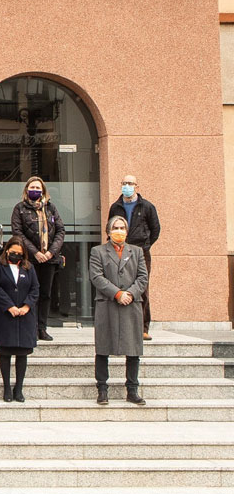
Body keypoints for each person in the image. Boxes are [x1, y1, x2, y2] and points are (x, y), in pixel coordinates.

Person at [90, 215, 148, 406]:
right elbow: (96, 276)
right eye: (116, 227)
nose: (119, 231)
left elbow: (142, 277)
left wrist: (130, 293)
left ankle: (132, 389)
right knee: (103, 347)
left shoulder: (137, 252)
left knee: (133, 349)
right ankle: (102, 389)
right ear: (108, 231)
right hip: (107, 304)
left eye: (122, 228)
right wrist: (117, 293)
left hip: (131, 305)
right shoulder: (98, 251)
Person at [10, 176, 65, 342]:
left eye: (38, 188)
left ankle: (42, 328)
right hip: (30, 259)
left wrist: (50, 252)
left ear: (43, 191)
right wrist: (35, 253)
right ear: (27, 190)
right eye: (32, 187)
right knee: (30, 293)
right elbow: (18, 233)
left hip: (50, 259)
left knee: (46, 294)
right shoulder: (19, 209)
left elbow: (61, 231)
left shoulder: (50, 208)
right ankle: (30, 327)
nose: (35, 190)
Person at [108, 173, 160, 341]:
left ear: (137, 187)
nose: (127, 186)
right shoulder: (116, 207)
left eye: (130, 183)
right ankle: (121, 326)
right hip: (119, 251)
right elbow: (109, 227)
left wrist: (144, 245)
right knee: (119, 286)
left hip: (140, 252)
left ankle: (143, 327)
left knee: (141, 289)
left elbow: (155, 229)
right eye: (124, 183)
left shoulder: (147, 206)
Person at [0, 234, 40, 403]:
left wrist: (26, 306)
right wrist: (9, 306)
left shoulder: (28, 268)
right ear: (7, 250)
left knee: (22, 353)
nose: (16, 255)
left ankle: (19, 388)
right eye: (13, 252)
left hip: (25, 316)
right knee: (5, 352)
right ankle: (6, 388)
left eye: (19, 253)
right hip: (5, 315)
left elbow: (35, 289)